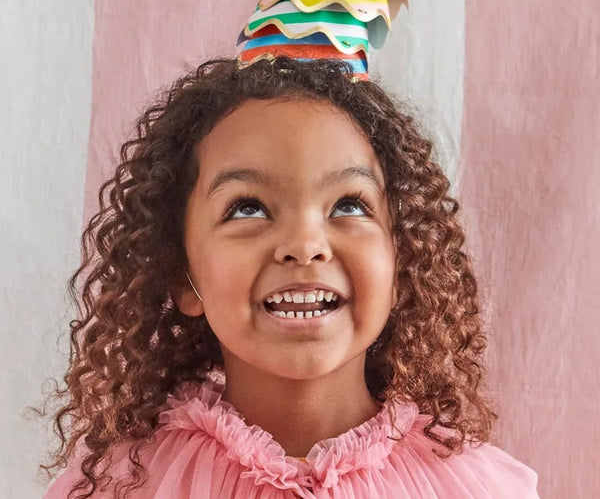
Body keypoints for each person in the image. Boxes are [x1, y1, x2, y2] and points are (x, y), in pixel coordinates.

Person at [37, 55, 540, 498]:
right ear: (180, 273)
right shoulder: (125, 485)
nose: (304, 246)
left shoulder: (471, 485)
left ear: (403, 264)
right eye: (248, 209)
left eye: (348, 204)